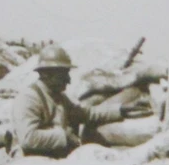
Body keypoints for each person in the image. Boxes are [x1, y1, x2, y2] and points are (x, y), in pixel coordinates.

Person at [11, 44, 149, 158]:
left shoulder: (59, 97)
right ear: (47, 74)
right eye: (63, 75)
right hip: (29, 164)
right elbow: (28, 138)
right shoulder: (28, 99)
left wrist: (120, 110)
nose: (69, 80)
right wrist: (64, 136)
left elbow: (86, 114)